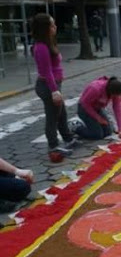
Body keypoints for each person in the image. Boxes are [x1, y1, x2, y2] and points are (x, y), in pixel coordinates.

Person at [32, 13, 78, 163]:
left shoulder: (49, 44)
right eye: (52, 25)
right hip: (48, 86)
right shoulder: (41, 47)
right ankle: (53, 147)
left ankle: (68, 139)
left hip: (54, 84)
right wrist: (54, 91)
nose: (55, 27)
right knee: (52, 117)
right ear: (45, 28)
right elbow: (47, 71)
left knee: (62, 114)